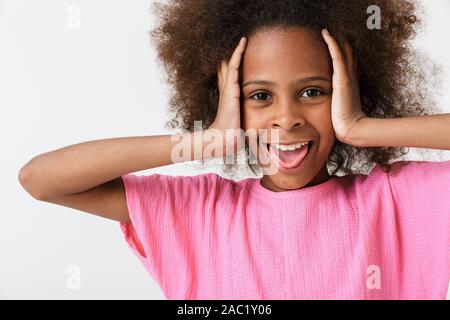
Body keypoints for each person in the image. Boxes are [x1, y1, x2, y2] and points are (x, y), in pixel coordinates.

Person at [18, 0, 450, 299]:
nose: (287, 118)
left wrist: (362, 128)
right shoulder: (199, 210)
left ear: (350, 93)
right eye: (261, 96)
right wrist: (204, 140)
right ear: (225, 103)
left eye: (314, 91)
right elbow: (40, 179)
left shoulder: (396, 201)